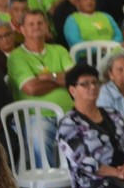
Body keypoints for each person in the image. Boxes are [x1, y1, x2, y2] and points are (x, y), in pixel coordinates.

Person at [7, 10, 74, 159]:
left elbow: (75, 78)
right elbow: (32, 88)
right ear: (22, 29)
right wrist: (61, 80)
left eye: (40, 23)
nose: (36, 26)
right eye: (31, 24)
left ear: (46, 26)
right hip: (37, 116)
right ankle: (47, 181)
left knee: (89, 139)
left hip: (69, 113)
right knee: (40, 143)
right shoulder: (16, 57)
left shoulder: (59, 50)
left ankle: (79, 181)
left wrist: (50, 77)